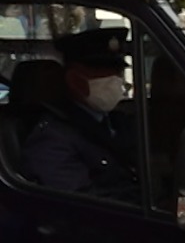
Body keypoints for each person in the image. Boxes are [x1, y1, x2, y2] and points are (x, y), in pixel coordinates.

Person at [21, 28, 137, 203]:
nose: (116, 79)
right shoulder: (52, 139)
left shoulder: (119, 122)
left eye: (118, 71)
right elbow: (81, 207)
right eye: (104, 71)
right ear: (74, 80)